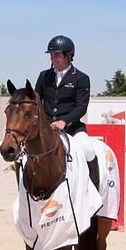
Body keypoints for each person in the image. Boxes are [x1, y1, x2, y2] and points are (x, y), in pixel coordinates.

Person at [34, 35, 99, 189]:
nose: (52, 58)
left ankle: (94, 190)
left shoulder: (81, 78)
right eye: (51, 55)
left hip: (72, 127)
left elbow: (81, 106)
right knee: (21, 155)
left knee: (88, 150)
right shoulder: (44, 76)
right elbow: (37, 101)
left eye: (56, 54)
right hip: (47, 128)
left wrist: (64, 121)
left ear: (69, 55)